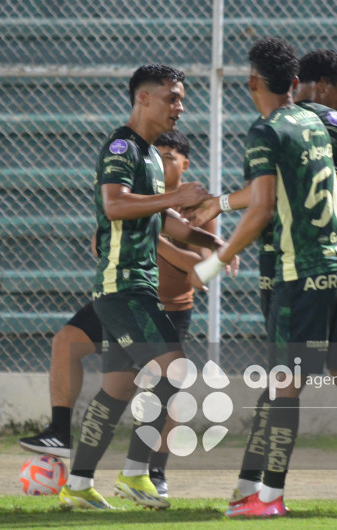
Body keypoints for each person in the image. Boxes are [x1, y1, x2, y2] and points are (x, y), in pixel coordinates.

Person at [191, 37, 337, 518]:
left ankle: (267, 498)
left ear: (252, 82)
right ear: (295, 84)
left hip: (302, 272)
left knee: (284, 384)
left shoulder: (265, 130)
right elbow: (320, 189)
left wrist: (213, 262)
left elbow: (262, 208)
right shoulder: (315, 123)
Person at [56, 63, 230, 511]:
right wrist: (176, 197)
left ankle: (77, 484)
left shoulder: (151, 155)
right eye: (172, 96)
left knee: (117, 388)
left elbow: (161, 218)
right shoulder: (121, 145)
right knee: (174, 370)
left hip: (139, 287)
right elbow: (114, 204)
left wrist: (214, 241)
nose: (180, 105)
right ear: (144, 99)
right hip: (122, 286)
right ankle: (136, 475)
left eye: (181, 97)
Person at [17, 131, 225, 499]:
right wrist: (153, 226)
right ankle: (78, 457)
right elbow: (101, 242)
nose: (163, 161)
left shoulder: (196, 209)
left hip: (167, 310)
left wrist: (161, 233)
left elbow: (199, 273)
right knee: (86, 357)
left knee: (149, 387)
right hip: (126, 300)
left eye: (170, 156)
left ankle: (147, 473)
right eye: (157, 155)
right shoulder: (136, 197)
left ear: (186, 164)